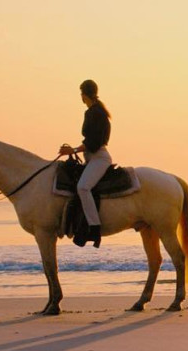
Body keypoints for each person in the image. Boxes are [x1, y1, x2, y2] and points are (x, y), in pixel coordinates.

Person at [59, 79, 112, 248]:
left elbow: (93, 142)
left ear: (84, 95)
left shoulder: (94, 113)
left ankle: (94, 228)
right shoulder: (97, 111)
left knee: (83, 187)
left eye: (81, 94)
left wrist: (72, 151)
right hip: (93, 157)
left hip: (98, 157)